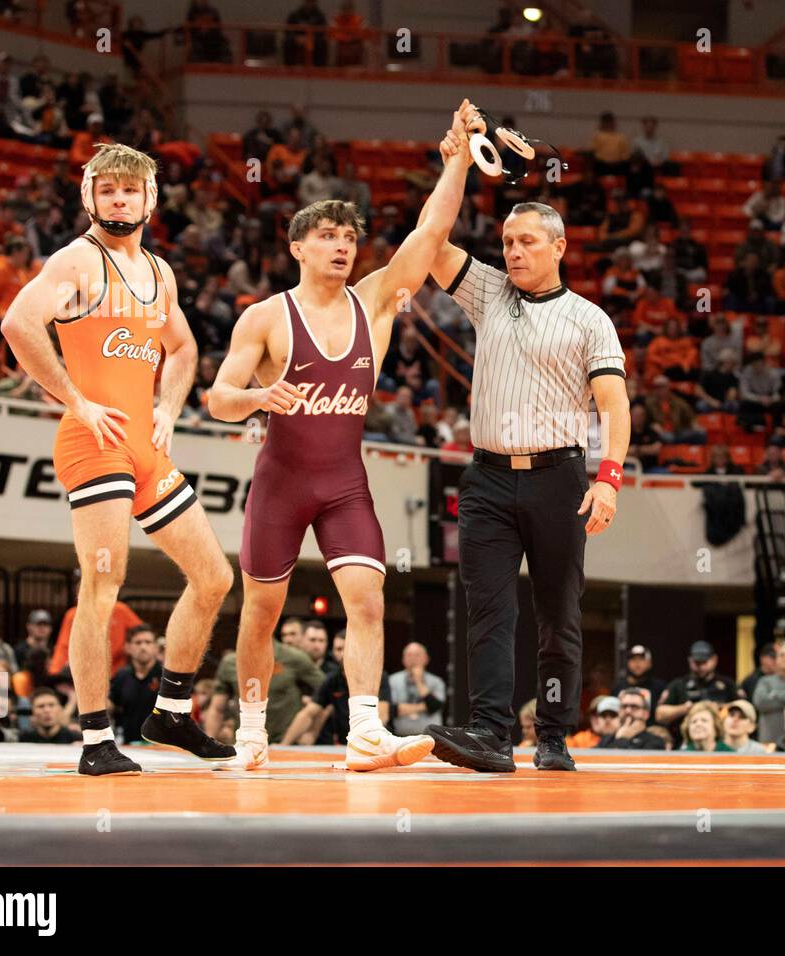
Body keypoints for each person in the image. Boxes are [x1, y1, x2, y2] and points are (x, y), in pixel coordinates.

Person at [208, 102, 480, 773]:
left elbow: (430, 231)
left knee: (367, 599)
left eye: (348, 237)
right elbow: (216, 400)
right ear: (298, 247)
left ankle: (364, 732)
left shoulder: (377, 302)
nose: (340, 245)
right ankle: (250, 730)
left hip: (343, 486)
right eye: (326, 235)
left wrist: (457, 162)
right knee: (262, 613)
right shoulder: (265, 317)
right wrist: (256, 397)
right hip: (281, 485)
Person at [1, 143, 237, 774]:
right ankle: (96, 739)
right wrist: (75, 401)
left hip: (145, 446)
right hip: (94, 441)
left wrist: (168, 406)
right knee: (102, 584)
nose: (119, 199)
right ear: (89, 198)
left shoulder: (160, 274)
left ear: (150, 199)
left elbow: (183, 349)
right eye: (106, 190)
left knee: (214, 578)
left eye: (129, 190)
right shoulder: (77, 261)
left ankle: (170, 713)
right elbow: (18, 326)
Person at [421, 104, 631, 774]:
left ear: (560, 247)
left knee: (557, 617)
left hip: (560, 479)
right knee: (487, 610)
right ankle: (489, 734)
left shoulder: (590, 319)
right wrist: (457, 158)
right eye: (508, 241)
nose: (513, 252)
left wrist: (609, 478)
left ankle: (552, 736)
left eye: (527, 243)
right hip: (485, 479)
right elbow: (428, 243)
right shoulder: (488, 293)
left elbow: (614, 405)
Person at [656, 641, 739, 740]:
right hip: (684, 740)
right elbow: (659, 714)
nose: (700, 667)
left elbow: (742, 710)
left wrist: (720, 709)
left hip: (721, 739)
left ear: (714, 660)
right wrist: (685, 708)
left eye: (704, 662)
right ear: (690, 661)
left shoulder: (727, 684)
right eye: (696, 663)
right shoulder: (679, 685)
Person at [108, 624, 161, 744]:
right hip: (127, 743)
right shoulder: (121, 675)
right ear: (128, 647)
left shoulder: (166, 676)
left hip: (160, 745)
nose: (143, 647)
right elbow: (109, 704)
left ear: (156, 647)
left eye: (148, 642)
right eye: (138, 643)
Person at [387, 642, 446, 737]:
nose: (413, 659)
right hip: (400, 736)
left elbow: (435, 706)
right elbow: (391, 709)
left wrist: (419, 681)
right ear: (403, 659)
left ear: (426, 659)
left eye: (417, 655)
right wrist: (423, 707)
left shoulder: (437, 681)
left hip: (430, 737)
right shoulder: (392, 680)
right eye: (409, 655)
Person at [610, 644, 666, 723]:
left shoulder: (659, 687)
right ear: (627, 663)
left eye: (641, 659)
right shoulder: (618, 687)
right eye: (633, 659)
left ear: (649, 663)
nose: (637, 663)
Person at [599, 687, 665, 749]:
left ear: (646, 714)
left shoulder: (656, 742)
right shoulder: (606, 739)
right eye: (624, 706)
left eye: (634, 707)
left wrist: (622, 739)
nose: (628, 711)